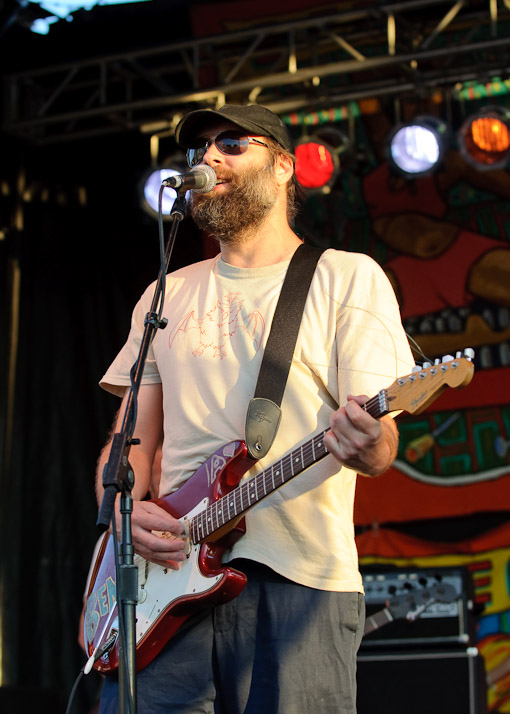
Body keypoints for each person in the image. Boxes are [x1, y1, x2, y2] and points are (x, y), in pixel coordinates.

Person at [95, 103, 415, 714]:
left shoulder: (345, 278)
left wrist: (368, 440)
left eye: (233, 144)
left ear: (285, 167)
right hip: (165, 585)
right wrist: (121, 513)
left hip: (299, 584)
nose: (210, 158)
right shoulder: (166, 293)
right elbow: (129, 441)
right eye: (201, 150)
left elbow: (380, 448)